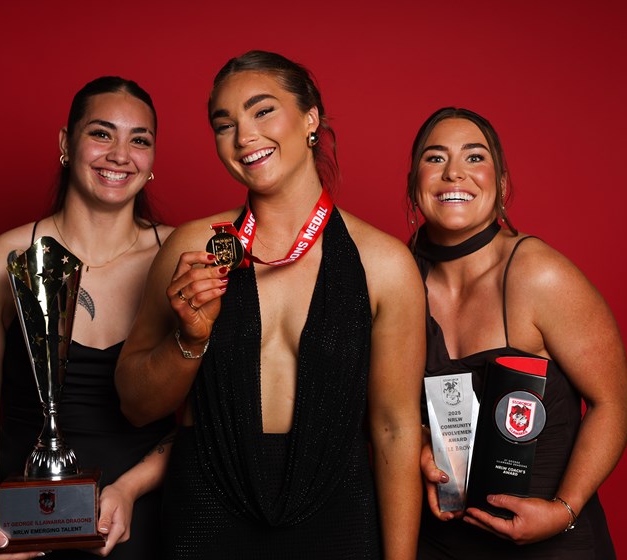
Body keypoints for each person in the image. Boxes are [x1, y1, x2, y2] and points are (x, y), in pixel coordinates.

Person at [115, 50, 426, 559]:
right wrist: (189, 339)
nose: (243, 137)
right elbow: (134, 404)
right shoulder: (192, 248)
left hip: (337, 509)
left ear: (310, 118)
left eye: (262, 111)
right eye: (225, 124)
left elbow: (394, 429)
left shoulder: (385, 264)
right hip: (207, 506)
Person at [0, 76, 175, 560]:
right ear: (66, 143)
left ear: (152, 161)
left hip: (152, 522)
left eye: (140, 140)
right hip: (28, 532)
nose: (119, 154)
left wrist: (129, 488)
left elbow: (206, 419)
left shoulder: (180, 259)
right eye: (101, 133)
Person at [408, 107, 627, 558]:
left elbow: (617, 406)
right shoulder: (396, 280)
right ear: (414, 181)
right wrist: (418, 443)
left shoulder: (538, 273)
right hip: (442, 542)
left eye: (474, 158)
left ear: (503, 184)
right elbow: (384, 410)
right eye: (435, 159)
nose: (454, 171)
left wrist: (564, 509)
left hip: (553, 542)